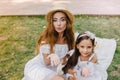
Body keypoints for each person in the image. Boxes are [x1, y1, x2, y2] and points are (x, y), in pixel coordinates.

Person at [22, 8, 75, 80]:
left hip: (60, 68)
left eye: (62, 20)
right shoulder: (47, 38)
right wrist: (51, 55)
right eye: (55, 20)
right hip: (42, 67)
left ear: (67, 22)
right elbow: (47, 62)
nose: (58, 24)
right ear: (51, 23)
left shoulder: (71, 38)